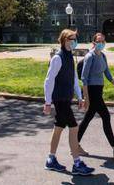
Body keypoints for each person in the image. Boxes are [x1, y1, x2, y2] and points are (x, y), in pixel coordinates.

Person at [43, 29, 94, 176]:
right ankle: (77, 163)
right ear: (65, 40)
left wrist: (79, 97)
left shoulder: (69, 56)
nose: (75, 42)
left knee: (59, 128)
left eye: (75, 39)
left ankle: (51, 159)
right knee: (74, 127)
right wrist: (47, 102)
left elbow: (73, 80)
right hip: (60, 99)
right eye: (72, 39)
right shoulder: (58, 58)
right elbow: (48, 81)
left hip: (66, 98)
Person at [78, 33, 114, 159]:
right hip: (91, 91)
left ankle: (75, 144)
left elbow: (108, 74)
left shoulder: (103, 56)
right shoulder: (89, 57)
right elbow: (84, 78)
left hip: (98, 90)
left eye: (103, 41)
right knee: (106, 116)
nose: (101, 43)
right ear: (94, 43)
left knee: (87, 119)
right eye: (98, 41)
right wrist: (86, 98)